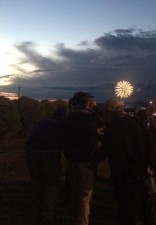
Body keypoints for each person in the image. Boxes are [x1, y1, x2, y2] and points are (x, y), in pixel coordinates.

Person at [100, 98, 156, 225]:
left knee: (127, 208)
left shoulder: (113, 129)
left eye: (106, 112)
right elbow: (151, 141)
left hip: (124, 175)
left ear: (112, 112)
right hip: (141, 172)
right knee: (145, 205)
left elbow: (106, 150)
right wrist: (149, 162)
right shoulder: (137, 122)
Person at [60, 91, 102, 225]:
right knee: (84, 196)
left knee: (76, 194)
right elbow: (102, 118)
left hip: (72, 160)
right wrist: (94, 107)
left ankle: (76, 218)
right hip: (87, 162)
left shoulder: (67, 119)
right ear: (87, 103)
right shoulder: (92, 119)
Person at [25, 107, 68, 225]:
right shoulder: (61, 126)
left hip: (31, 152)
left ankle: (35, 210)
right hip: (49, 155)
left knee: (37, 181)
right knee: (51, 184)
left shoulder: (42, 122)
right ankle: (47, 215)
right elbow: (63, 142)